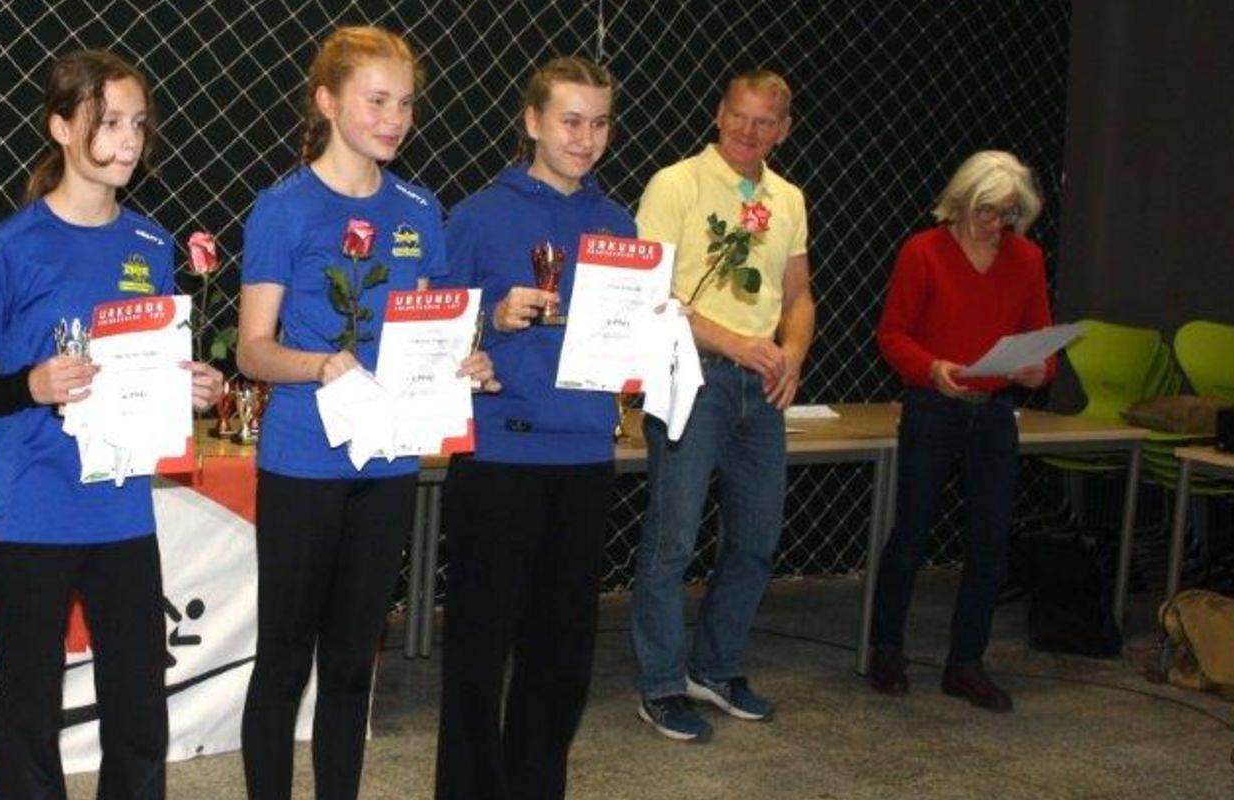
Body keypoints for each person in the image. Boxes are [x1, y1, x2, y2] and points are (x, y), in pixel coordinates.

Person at [0, 50, 224, 800]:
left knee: (139, 710)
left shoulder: (150, 245)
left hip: (121, 511)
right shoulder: (10, 246)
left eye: (138, 123)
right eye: (109, 123)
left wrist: (189, 388)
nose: (129, 140)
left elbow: (146, 372)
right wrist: (30, 384)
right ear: (62, 127)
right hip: (32, 510)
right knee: (30, 712)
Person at [235, 25, 495, 800]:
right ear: (327, 101)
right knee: (285, 660)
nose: (395, 119)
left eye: (406, 104)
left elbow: (433, 330)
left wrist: (466, 363)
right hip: (303, 461)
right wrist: (317, 364)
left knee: (353, 665)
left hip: (388, 463)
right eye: (377, 101)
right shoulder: (283, 209)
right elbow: (252, 351)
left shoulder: (420, 208)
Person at [430, 55, 632, 800]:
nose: (585, 138)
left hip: (584, 455)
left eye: (599, 123)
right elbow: (431, 332)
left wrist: (653, 337)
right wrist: (492, 316)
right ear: (533, 122)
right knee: (479, 653)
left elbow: (627, 340)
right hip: (500, 454)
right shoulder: (478, 216)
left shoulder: (618, 225)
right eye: (570, 120)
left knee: (562, 656)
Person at [628, 69, 816, 743]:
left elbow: (799, 295)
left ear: (784, 130)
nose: (748, 131)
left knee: (757, 540)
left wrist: (791, 354)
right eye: (738, 115)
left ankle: (715, 667)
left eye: (764, 122)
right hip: (692, 377)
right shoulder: (674, 184)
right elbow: (651, 292)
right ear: (718, 113)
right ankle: (659, 684)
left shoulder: (788, 198)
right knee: (672, 540)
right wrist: (740, 344)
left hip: (760, 387)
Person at [868, 150, 1053, 713]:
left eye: (1007, 213)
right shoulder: (923, 251)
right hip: (933, 407)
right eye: (985, 211)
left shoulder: (1026, 258)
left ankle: (966, 663)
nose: (994, 224)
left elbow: (1042, 337)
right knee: (911, 536)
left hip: (994, 413)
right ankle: (886, 649)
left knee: (990, 545)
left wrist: (1039, 369)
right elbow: (893, 335)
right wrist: (932, 369)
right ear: (961, 202)